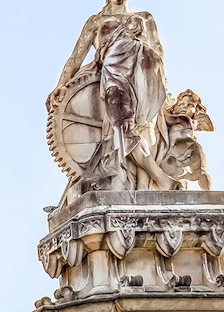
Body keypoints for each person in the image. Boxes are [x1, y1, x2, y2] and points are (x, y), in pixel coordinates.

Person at [48, 0, 177, 192]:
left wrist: (161, 87)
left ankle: (143, 186)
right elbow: (76, 58)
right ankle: (159, 177)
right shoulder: (96, 21)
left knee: (144, 128)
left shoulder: (144, 17)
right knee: (124, 126)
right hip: (114, 77)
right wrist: (61, 84)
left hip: (143, 74)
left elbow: (158, 52)